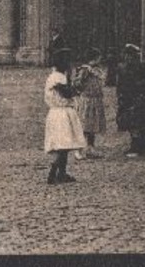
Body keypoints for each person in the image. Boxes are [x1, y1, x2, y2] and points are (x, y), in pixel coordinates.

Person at [44, 47, 86, 184]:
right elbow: (66, 93)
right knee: (62, 145)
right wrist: (77, 88)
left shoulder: (55, 75)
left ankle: (61, 173)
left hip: (57, 112)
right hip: (61, 112)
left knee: (64, 144)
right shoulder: (59, 77)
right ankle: (53, 173)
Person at [116, 43, 145, 156]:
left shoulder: (141, 67)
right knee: (129, 122)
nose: (128, 58)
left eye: (131, 55)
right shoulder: (121, 68)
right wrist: (120, 96)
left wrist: (140, 85)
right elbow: (119, 84)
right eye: (126, 55)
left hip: (139, 98)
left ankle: (139, 146)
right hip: (127, 98)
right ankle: (136, 145)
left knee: (139, 122)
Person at [76, 54, 106, 155]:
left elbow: (103, 80)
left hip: (95, 99)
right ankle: (79, 149)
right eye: (97, 59)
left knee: (93, 124)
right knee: (85, 124)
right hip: (88, 100)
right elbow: (77, 84)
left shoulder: (96, 70)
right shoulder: (84, 70)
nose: (98, 61)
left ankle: (90, 147)